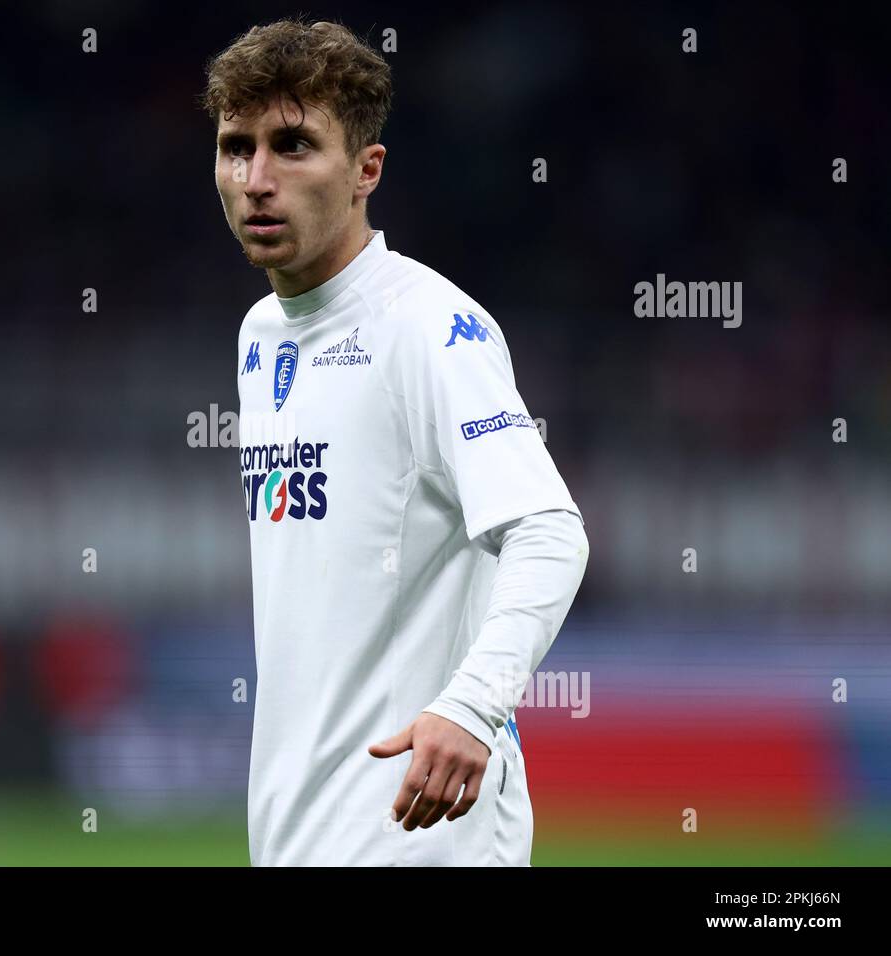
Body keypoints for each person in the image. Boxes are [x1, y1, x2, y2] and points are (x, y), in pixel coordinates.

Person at [202, 17, 590, 866]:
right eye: (237, 148)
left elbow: (550, 530)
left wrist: (470, 705)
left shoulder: (429, 329)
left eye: (294, 146)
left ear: (365, 171)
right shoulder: (260, 333)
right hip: (298, 828)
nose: (257, 179)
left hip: (421, 834)